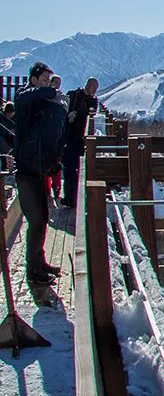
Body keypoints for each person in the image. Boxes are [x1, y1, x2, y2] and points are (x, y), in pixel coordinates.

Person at [13, 62, 66, 285]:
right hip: (26, 170)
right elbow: (26, 97)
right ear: (33, 80)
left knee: (42, 218)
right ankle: (33, 271)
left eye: (49, 80)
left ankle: (40, 261)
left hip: (37, 169)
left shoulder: (40, 103)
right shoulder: (25, 97)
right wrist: (50, 91)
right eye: (43, 80)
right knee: (35, 220)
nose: (47, 85)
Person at [61, 77, 99, 207]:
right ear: (86, 85)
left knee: (79, 169)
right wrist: (68, 116)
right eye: (91, 87)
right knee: (69, 168)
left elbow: (91, 114)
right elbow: (62, 110)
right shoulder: (73, 95)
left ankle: (76, 198)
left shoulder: (93, 101)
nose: (92, 91)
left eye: (94, 89)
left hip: (81, 139)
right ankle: (69, 198)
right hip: (69, 137)